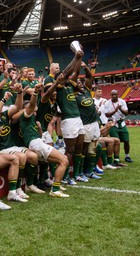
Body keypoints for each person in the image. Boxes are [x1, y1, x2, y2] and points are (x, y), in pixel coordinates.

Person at [0, 86, 39, 201]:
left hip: (12, 147)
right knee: (21, 156)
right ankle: (16, 189)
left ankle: (29, 185)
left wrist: (20, 92)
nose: (0, 106)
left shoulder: (4, 115)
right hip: (0, 150)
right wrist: (3, 100)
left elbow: (16, 106)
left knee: (33, 156)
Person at [19, 83, 69, 197]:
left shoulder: (33, 119)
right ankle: (54, 189)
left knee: (58, 160)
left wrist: (40, 128)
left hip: (38, 142)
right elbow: (31, 105)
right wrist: (36, 93)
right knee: (64, 160)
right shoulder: (26, 115)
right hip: (35, 143)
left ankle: (47, 183)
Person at [55, 49, 86, 184]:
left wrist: (79, 58)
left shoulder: (69, 87)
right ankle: (66, 176)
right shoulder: (60, 87)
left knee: (79, 148)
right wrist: (75, 57)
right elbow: (66, 73)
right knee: (70, 149)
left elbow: (76, 72)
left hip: (78, 119)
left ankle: (77, 174)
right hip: (68, 121)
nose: (64, 77)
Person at [75, 62, 101, 180]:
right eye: (78, 83)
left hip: (94, 122)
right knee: (84, 148)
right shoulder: (74, 95)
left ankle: (89, 171)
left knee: (93, 146)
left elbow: (90, 77)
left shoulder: (86, 90)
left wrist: (85, 67)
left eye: (81, 82)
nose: (80, 84)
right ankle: (81, 172)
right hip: (85, 124)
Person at [104, 90, 133, 163]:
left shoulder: (122, 101)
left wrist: (120, 108)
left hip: (122, 123)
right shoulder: (107, 103)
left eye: (115, 95)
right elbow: (107, 115)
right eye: (112, 95)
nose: (114, 96)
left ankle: (127, 156)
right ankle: (117, 158)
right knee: (116, 141)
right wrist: (115, 110)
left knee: (126, 140)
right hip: (113, 123)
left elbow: (126, 113)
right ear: (110, 95)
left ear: (118, 95)